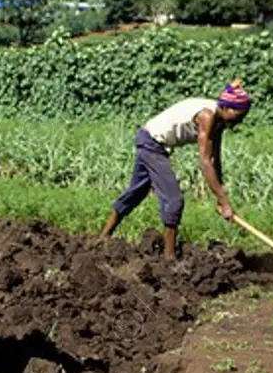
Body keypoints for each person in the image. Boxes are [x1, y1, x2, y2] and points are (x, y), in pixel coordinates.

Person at [101, 80, 252, 260]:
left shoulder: (219, 122)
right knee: (174, 199)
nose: (238, 122)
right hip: (152, 143)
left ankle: (103, 238)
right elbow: (204, 161)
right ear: (227, 107)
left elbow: (214, 159)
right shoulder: (207, 116)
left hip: (150, 140)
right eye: (238, 116)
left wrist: (220, 195)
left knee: (136, 193)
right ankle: (170, 259)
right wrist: (224, 201)